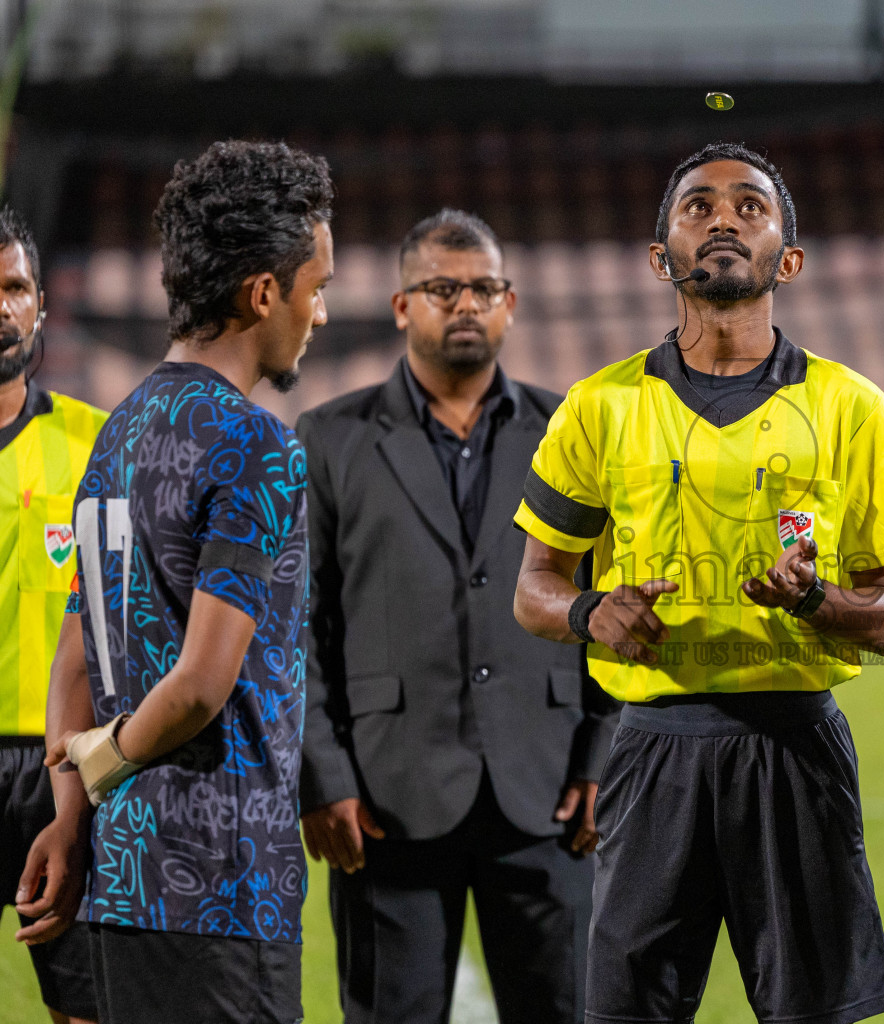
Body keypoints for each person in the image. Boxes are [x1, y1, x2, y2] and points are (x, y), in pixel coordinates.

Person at [512, 142, 884, 1024]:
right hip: (654, 746)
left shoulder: (851, 405)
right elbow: (534, 590)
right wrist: (592, 612)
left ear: (790, 257)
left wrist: (816, 601)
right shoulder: (600, 404)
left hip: (796, 748)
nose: (726, 220)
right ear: (661, 256)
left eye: (750, 206)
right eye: (699, 207)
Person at [34, 139, 333, 1024]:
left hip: (123, 886)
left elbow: (75, 655)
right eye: (316, 288)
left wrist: (68, 815)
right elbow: (204, 685)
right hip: (222, 885)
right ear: (263, 292)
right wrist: (100, 767)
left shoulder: (117, 430)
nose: (320, 314)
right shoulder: (257, 444)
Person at [297, 209, 618, 1024]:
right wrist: (323, 776)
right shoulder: (329, 439)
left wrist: (602, 753)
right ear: (403, 307)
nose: (466, 304)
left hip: (548, 791)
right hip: (382, 798)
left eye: (484, 288)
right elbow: (299, 626)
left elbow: (615, 610)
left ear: (510, 304)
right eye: (443, 288)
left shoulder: (572, 431)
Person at [2, 206, 104, 1024]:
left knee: (87, 1007)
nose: (2, 306)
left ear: (39, 305)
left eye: (15, 288)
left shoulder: (97, 446)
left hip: (60, 770)